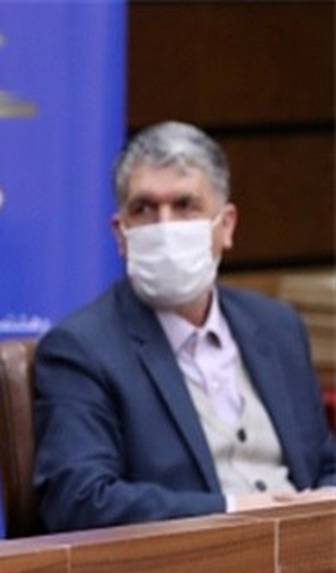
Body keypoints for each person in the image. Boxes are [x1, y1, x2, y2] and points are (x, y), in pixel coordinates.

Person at [33, 120, 335, 533]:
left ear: (226, 226)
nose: (165, 226)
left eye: (185, 205)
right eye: (144, 209)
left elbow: (324, 464)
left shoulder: (278, 327)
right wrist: (234, 508)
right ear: (120, 234)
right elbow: (80, 499)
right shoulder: (81, 349)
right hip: (192, 562)